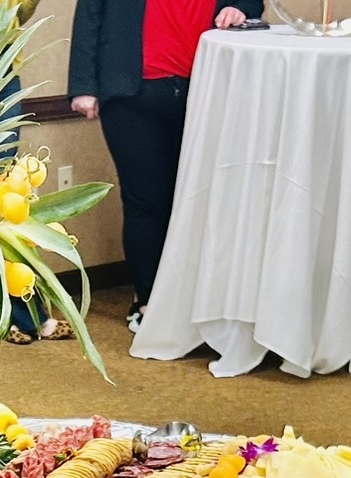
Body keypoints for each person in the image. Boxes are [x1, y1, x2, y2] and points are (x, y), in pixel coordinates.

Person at [69, 0, 261, 331]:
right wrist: (83, 85)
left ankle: (199, 302)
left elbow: (250, 2)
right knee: (146, 202)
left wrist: (238, 7)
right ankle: (148, 301)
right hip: (132, 94)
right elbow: (89, 14)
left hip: (207, 89)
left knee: (204, 201)